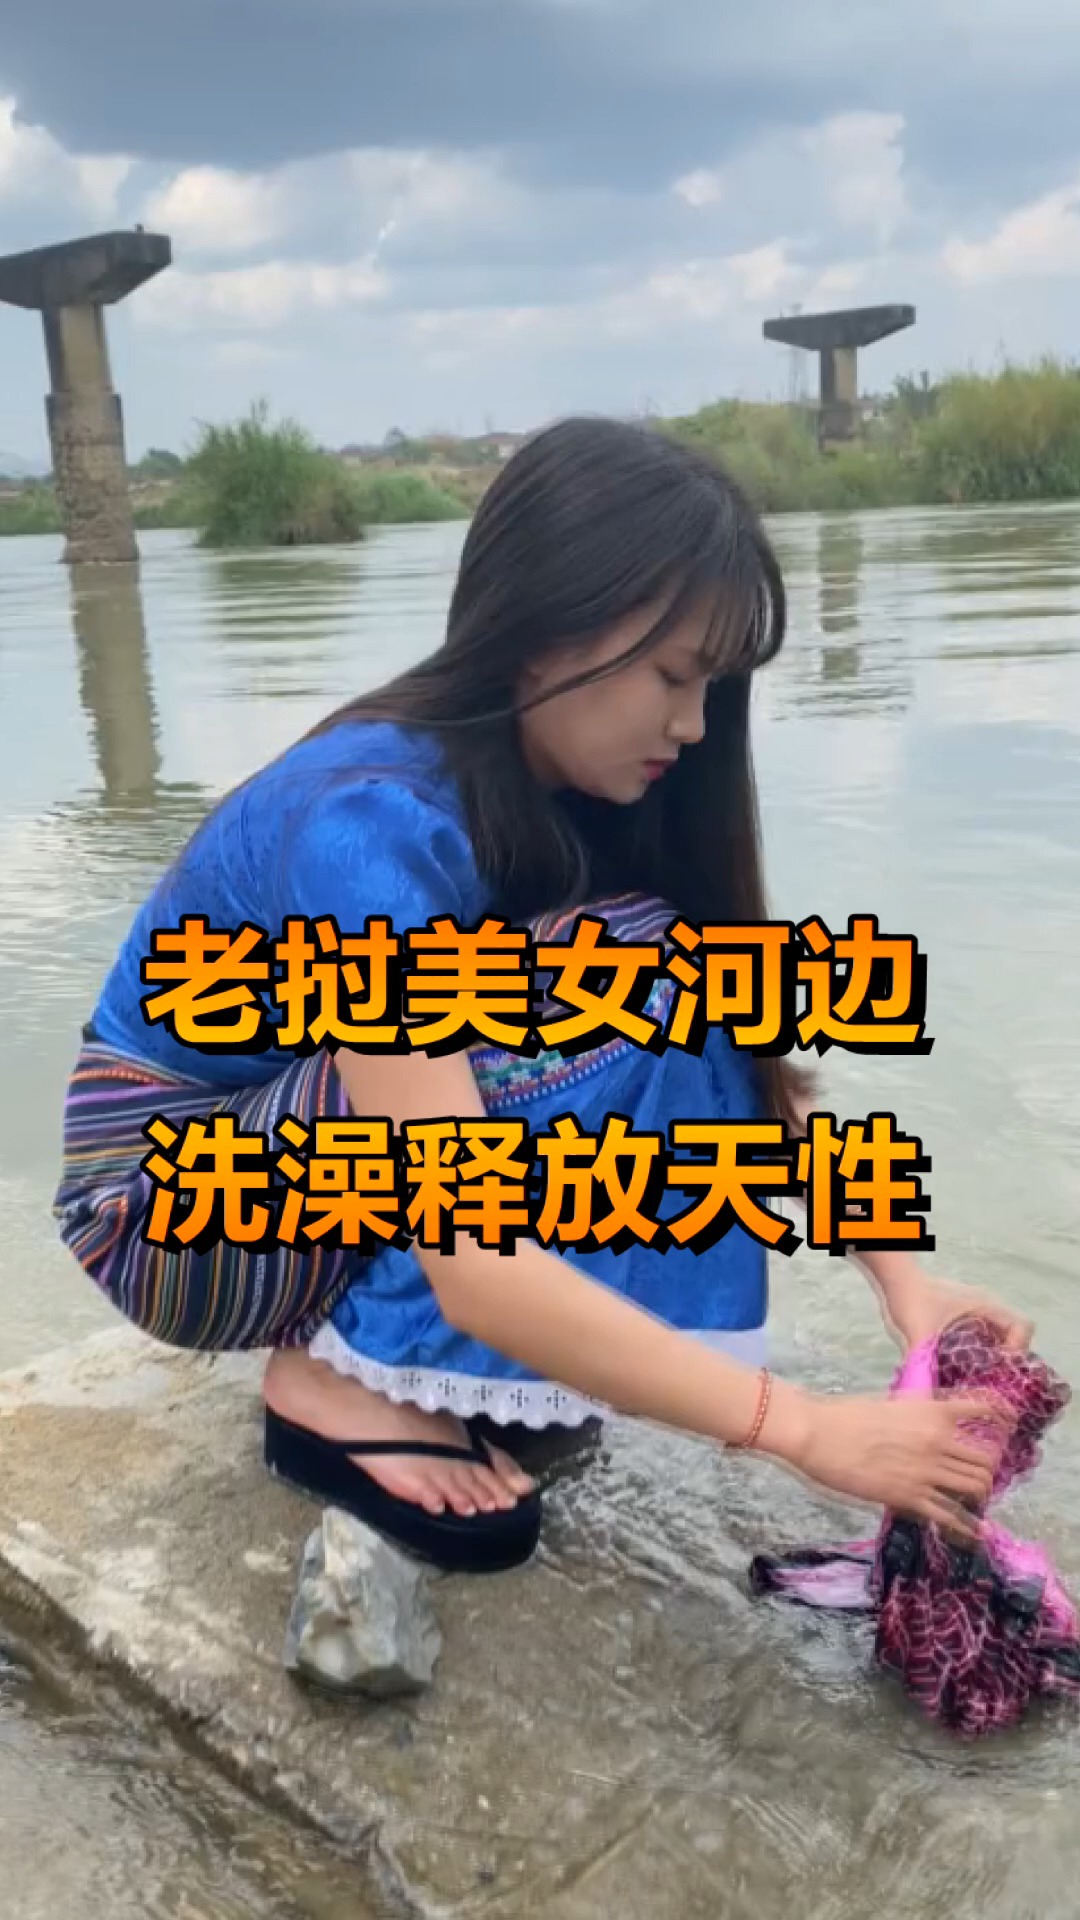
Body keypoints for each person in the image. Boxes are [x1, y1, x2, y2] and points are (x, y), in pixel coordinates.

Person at [53, 416, 1030, 1576]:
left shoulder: (566, 786)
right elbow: (470, 1249)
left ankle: (402, 1352)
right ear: (545, 630)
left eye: (712, 686)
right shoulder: (366, 829)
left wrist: (908, 1284)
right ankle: (329, 1377)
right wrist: (806, 1430)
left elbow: (743, 1048)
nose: (692, 725)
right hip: (167, 1211)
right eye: (674, 675)